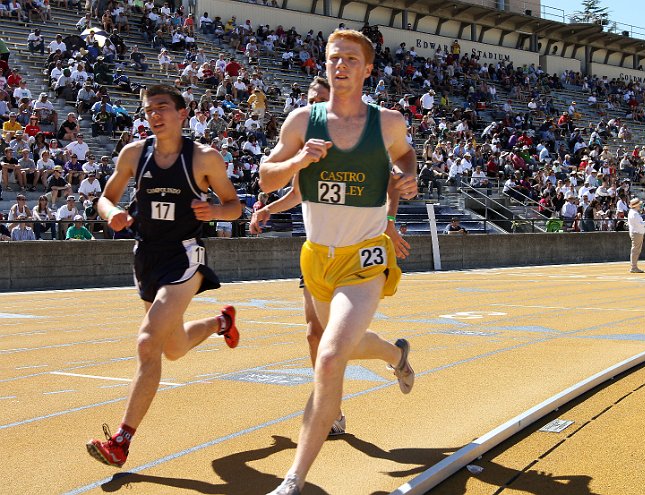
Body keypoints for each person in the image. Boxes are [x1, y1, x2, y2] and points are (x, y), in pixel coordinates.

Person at [259, 30, 417, 495]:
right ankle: (396, 355)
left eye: (351, 59)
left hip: (364, 259)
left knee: (328, 358)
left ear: (368, 69)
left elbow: (406, 156)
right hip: (318, 259)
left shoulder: (387, 123)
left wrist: (406, 180)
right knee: (336, 343)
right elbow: (267, 178)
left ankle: (294, 479)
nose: (340, 65)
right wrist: (296, 164)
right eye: (333, 59)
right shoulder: (302, 121)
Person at [86, 84, 243, 468]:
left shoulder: (204, 159)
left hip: (185, 256)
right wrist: (112, 215)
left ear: (182, 113)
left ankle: (121, 440)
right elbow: (104, 198)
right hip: (147, 256)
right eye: (149, 108)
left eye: (162, 107)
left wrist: (214, 213)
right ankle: (223, 321)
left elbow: (235, 206)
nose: (155, 114)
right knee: (172, 348)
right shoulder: (134, 154)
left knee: (147, 342)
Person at [627, 197, 645, 273]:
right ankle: (634, 267)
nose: (640, 206)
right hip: (637, 233)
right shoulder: (634, 213)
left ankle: (634, 266)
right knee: (635, 250)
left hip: (637, 232)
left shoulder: (633, 212)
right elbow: (640, 224)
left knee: (636, 250)